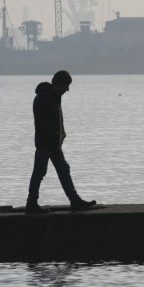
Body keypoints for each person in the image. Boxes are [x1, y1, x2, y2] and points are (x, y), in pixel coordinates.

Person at [26, 70, 97, 214]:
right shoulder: (42, 97)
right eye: (66, 85)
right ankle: (31, 203)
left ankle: (75, 201)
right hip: (45, 143)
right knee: (39, 172)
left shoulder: (55, 96)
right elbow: (41, 122)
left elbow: (57, 119)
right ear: (58, 83)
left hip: (55, 144)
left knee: (64, 170)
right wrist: (55, 134)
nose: (67, 89)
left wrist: (62, 133)